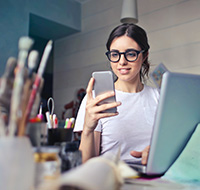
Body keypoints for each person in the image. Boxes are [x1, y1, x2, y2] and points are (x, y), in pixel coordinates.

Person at [74, 23, 160, 165]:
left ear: (144, 56)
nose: (122, 62)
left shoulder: (159, 98)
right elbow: (87, 165)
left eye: (131, 54)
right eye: (115, 54)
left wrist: (158, 153)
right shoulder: (96, 100)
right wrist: (88, 129)